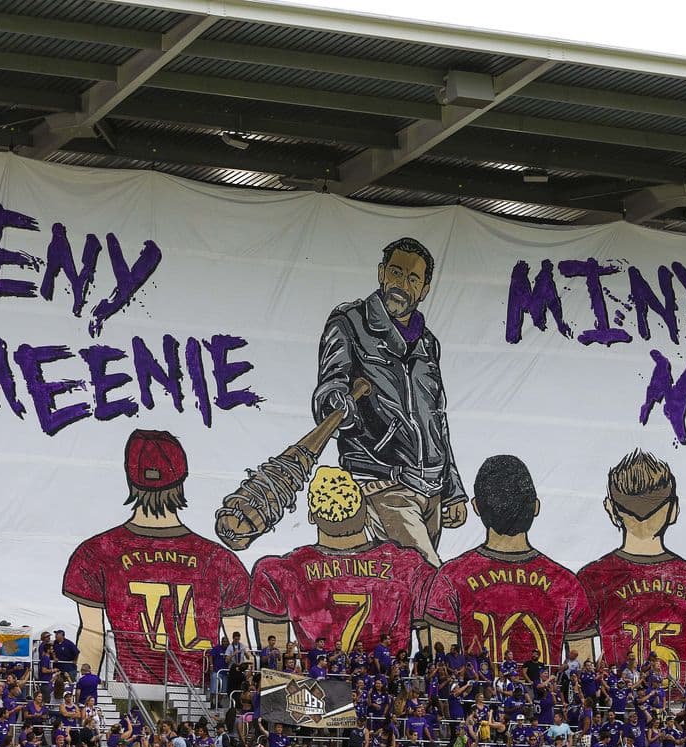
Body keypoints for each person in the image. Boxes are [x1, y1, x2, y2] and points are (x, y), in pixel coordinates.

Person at [312, 237, 466, 565]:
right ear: (381, 273)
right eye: (396, 273)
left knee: (410, 588)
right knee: (428, 575)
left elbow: (436, 418)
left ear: (425, 290)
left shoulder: (427, 344)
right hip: (382, 482)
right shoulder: (350, 323)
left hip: (431, 488)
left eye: (412, 279)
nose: (401, 285)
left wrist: (452, 489)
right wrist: (338, 403)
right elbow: (328, 389)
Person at [62, 430, 251, 683]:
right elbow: (242, 642)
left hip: (131, 686)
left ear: (130, 479)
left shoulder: (96, 552)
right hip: (198, 688)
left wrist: (83, 687)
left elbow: (92, 639)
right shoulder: (221, 560)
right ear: (181, 479)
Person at [578, 449, 686, 694]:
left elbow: (581, 661)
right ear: (674, 510)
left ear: (610, 508)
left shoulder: (592, 577)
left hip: (620, 697)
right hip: (680, 699)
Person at [420, 454, 595, 665]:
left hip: (479, 686)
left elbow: (444, 661)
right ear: (536, 507)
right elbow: (584, 664)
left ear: (476, 507)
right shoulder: (567, 584)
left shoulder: (451, 577)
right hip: (541, 685)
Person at [248, 466, 436, 655]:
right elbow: (431, 647)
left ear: (312, 517)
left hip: (319, 673)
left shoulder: (283, 571)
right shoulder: (409, 567)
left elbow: (274, 659)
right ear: (366, 515)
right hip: (386, 672)